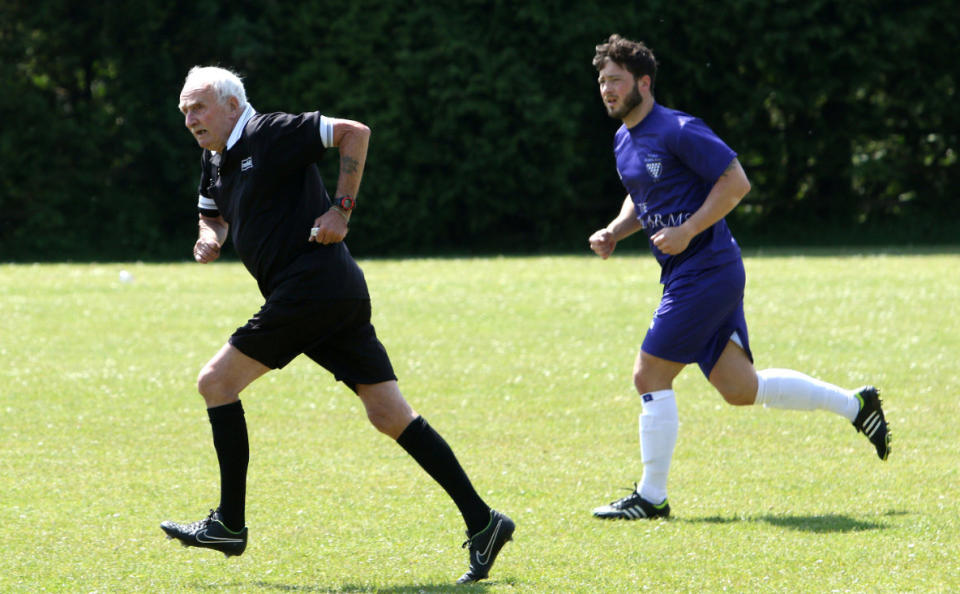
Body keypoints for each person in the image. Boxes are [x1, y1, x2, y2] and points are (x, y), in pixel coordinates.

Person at [160, 66, 513, 584]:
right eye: (185, 111)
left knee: (216, 382)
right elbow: (211, 214)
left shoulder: (269, 131)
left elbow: (355, 132)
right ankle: (484, 523)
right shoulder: (215, 159)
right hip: (333, 293)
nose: (190, 119)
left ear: (232, 105)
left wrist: (341, 209)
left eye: (199, 108)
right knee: (390, 414)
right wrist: (209, 236)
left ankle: (229, 524)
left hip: (314, 289)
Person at [586, 35, 891, 520]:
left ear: (643, 82)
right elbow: (644, 195)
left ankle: (650, 497)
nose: (607, 89)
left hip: (706, 270)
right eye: (602, 81)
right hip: (697, 273)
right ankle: (856, 405)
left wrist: (687, 230)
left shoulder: (678, 128)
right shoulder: (624, 138)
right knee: (739, 388)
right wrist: (616, 232)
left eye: (616, 80)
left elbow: (736, 181)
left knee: (649, 374)